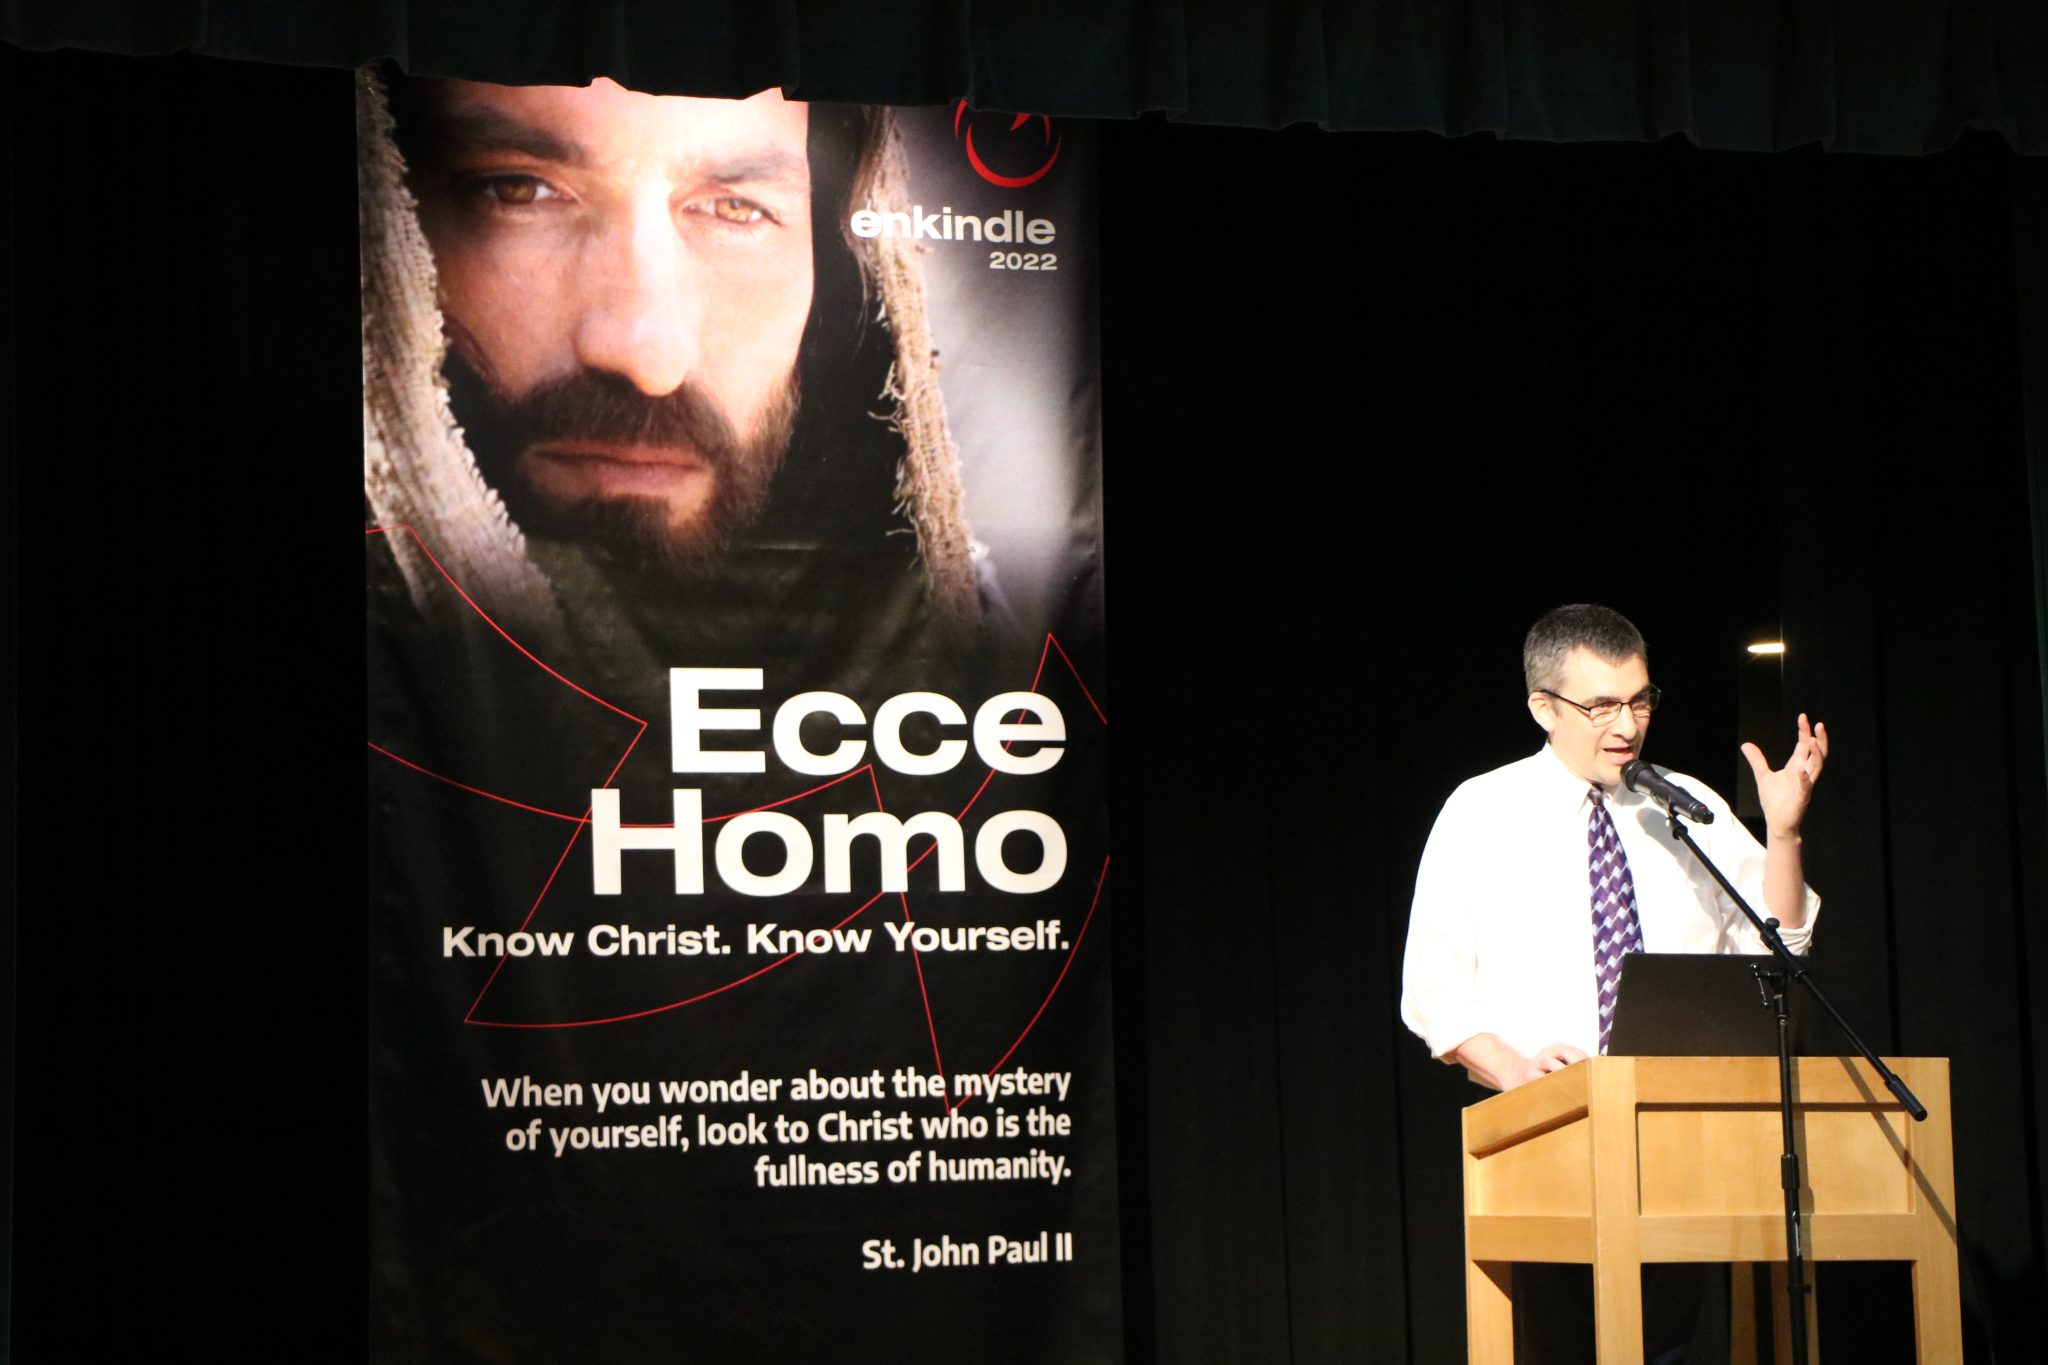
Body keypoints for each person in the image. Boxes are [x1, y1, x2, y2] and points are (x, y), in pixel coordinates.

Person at [359, 70, 993, 647]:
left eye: (735, 209)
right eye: (518, 191)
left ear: (844, 274)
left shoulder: (996, 655)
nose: (647, 358)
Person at [1400, 603, 1828, 1362]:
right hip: (1545, 1131)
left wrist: (1785, 833)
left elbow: (1780, 940)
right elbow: (1434, 991)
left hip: (1680, 1132)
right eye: (1600, 706)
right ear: (1544, 707)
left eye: (1639, 701)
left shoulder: (1685, 806)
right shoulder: (1482, 811)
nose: (1626, 726)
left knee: (1665, 1346)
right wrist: (1518, 1073)